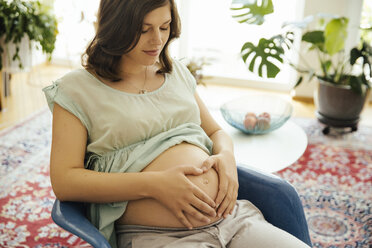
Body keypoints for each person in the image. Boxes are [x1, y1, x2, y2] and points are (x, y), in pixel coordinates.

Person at [43, 0, 310, 247]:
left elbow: (216, 131)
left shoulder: (176, 73)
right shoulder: (76, 90)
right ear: (115, 27)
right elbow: (65, 181)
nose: (157, 39)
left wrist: (226, 156)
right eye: (144, 29)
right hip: (158, 236)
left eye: (164, 26)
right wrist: (155, 184)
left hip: (234, 220)